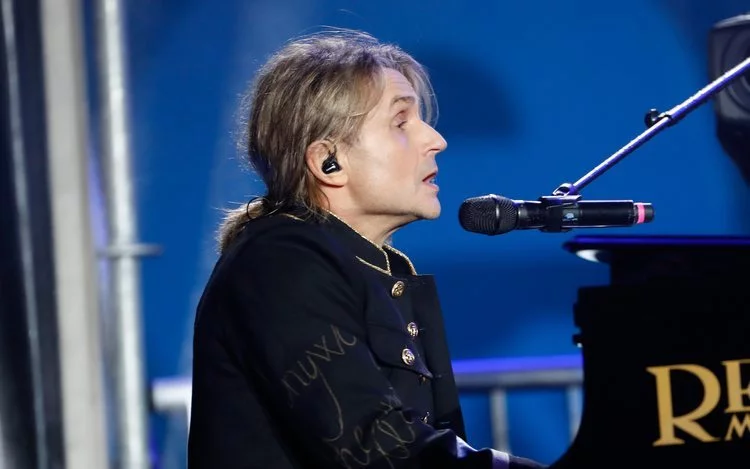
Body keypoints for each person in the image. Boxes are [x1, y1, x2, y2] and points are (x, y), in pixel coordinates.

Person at [187, 29, 546, 469]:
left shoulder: (368, 267)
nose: (436, 140)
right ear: (329, 162)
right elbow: (376, 447)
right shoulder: (280, 265)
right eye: (401, 122)